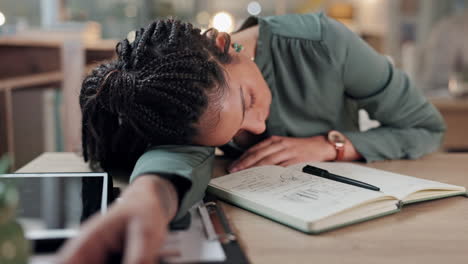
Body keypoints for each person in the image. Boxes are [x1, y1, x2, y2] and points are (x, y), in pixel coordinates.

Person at [59, 12, 445, 264]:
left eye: (249, 101)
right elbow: (177, 158)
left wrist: (331, 146)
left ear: (226, 46)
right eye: (237, 129)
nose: (259, 127)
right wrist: (148, 198)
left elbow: (426, 127)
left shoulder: (325, 45)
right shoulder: (186, 98)